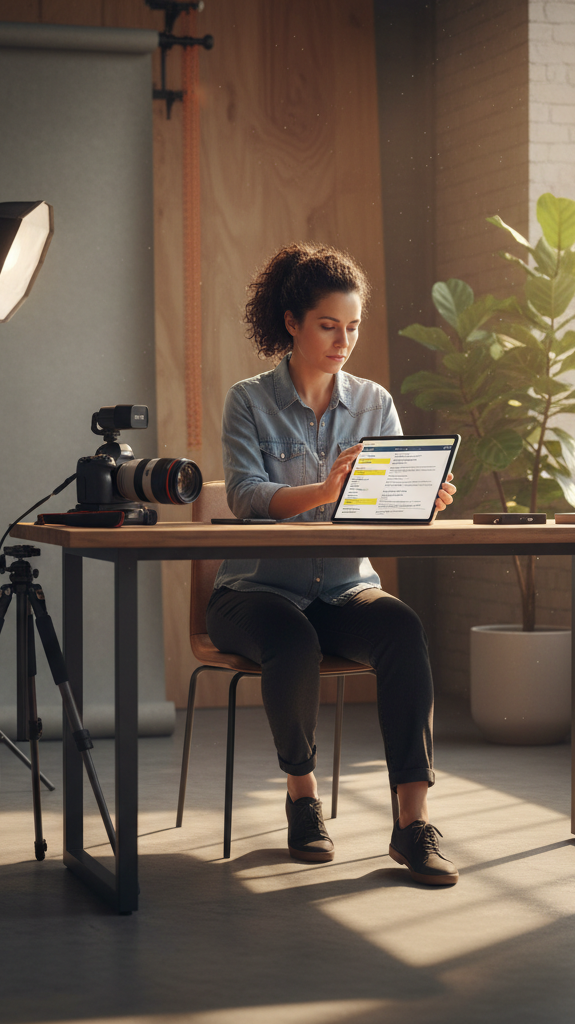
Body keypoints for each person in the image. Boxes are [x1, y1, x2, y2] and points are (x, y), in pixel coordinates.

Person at [205, 242, 459, 886]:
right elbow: (246, 496)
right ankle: (303, 796)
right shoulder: (248, 401)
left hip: (345, 589)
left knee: (402, 629)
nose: (344, 341)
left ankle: (411, 823)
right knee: (293, 640)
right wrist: (323, 491)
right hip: (254, 592)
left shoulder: (375, 403)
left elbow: (385, 508)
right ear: (292, 322)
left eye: (353, 327)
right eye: (328, 326)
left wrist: (420, 499)